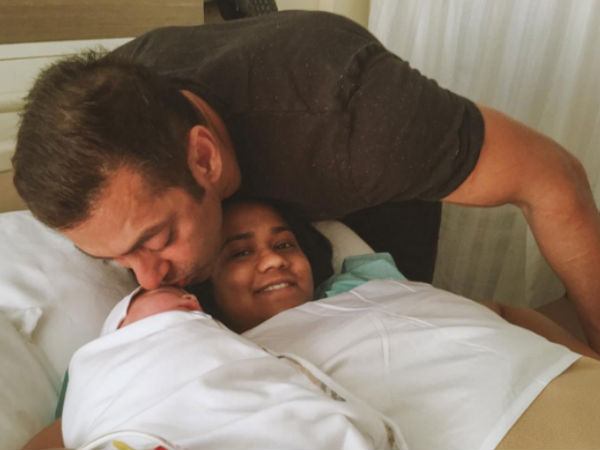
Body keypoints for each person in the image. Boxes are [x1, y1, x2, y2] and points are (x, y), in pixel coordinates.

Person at [11, 12, 600, 347]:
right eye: (117, 258)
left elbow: (552, 178)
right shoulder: (115, 102)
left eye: (157, 239)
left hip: (350, 157)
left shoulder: (362, 123)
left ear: (204, 160)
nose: (146, 278)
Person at [207, 199, 600, 449]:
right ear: (206, 284)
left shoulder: (371, 287)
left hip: (569, 378)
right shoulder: (237, 360)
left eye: (284, 244)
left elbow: (502, 311)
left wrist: (586, 361)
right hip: (495, 430)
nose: (274, 260)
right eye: (240, 252)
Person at [59, 285, 399, 450]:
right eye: (168, 292)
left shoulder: (219, 338)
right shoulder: (102, 366)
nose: (192, 299)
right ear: (120, 326)